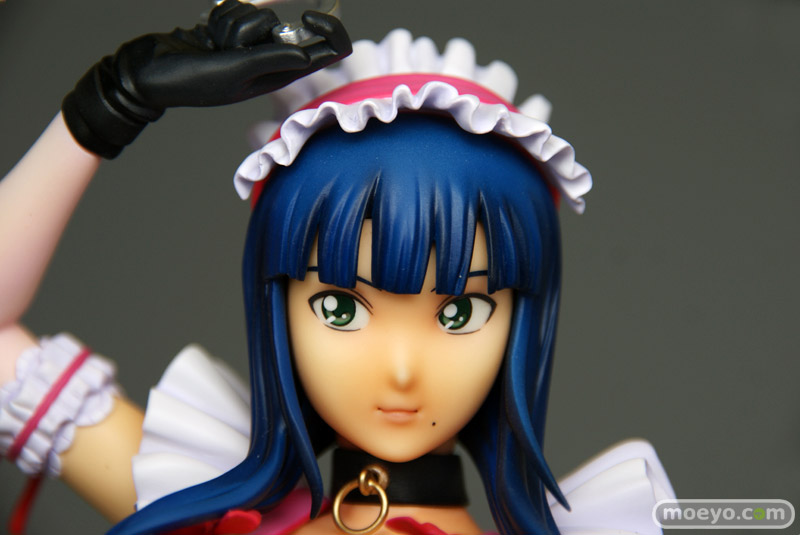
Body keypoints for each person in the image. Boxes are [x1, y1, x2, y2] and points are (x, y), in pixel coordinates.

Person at [0, 2, 672, 534]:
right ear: (277, 301)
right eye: (340, 308)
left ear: (523, 318)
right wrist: (114, 99)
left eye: (460, 312)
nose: (401, 369)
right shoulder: (209, 507)